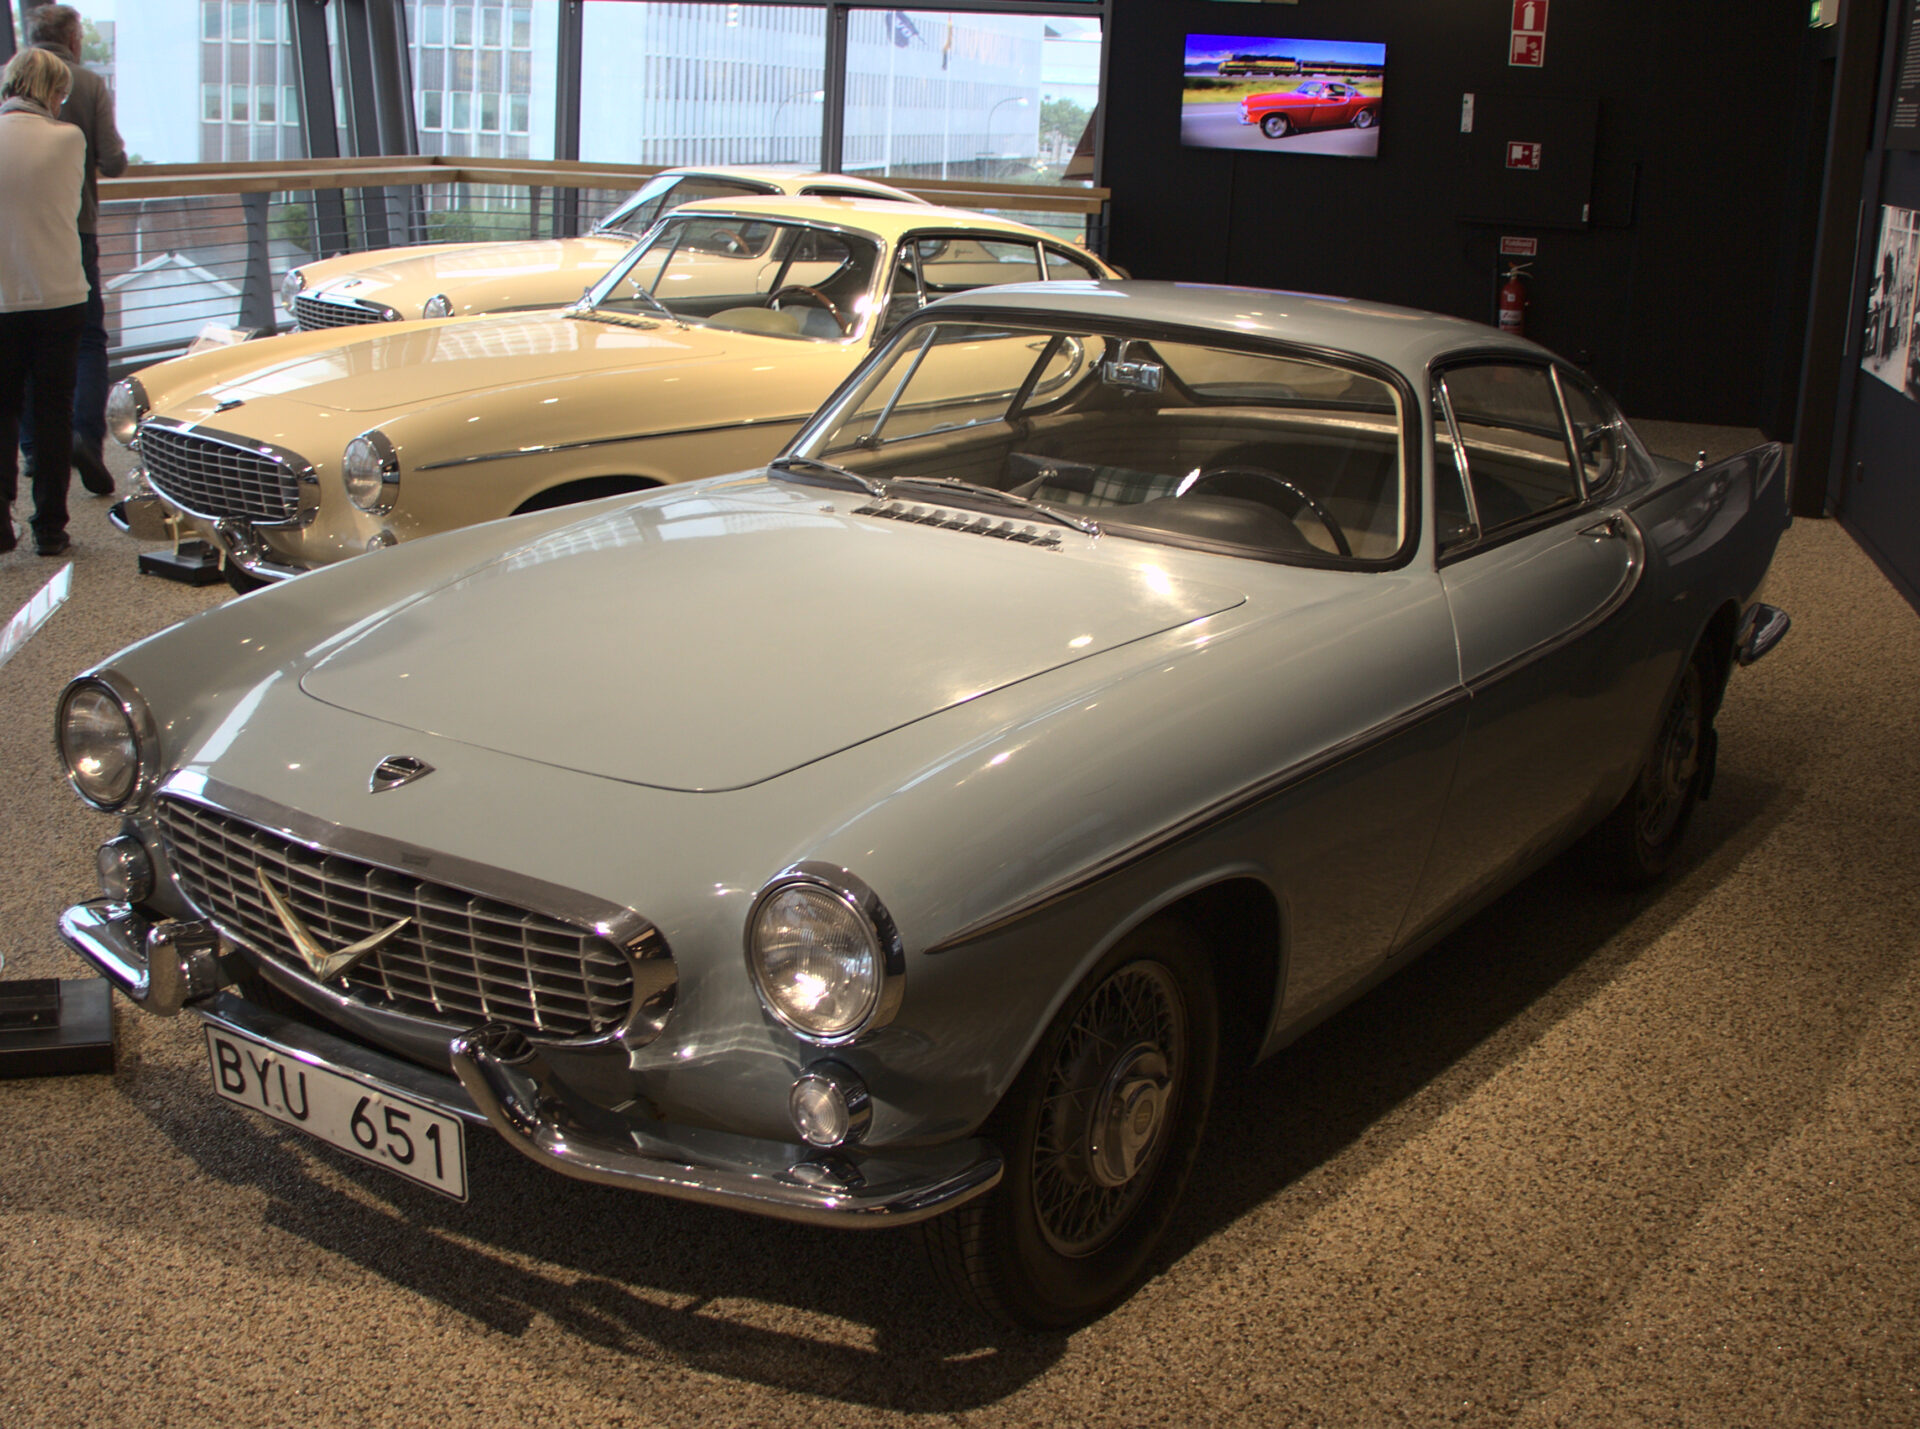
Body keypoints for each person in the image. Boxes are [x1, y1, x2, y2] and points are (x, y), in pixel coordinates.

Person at [26, 3, 127, 497]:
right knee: (87, 338)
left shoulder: (7, 81)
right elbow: (112, 160)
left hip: (13, 235)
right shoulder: (87, 83)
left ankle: (34, 449)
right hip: (75, 226)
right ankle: (84, 437)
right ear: (72, 39)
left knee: (20, 338)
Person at [0, 46, 88, 556]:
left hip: (2, 297)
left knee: (2, 411)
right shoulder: (69, 138)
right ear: (53, 91)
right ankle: (50, 527)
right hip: (59, 294)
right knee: (53, 413)